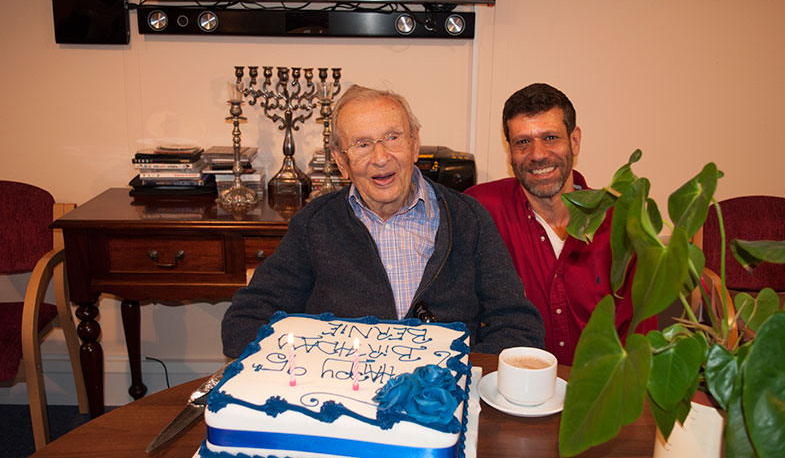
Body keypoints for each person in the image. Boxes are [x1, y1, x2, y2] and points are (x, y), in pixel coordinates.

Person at [221, 84, 545, 358]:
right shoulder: (315, 225)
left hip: (441, 406)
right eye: (362, 144)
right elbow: (243, 322)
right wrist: (319, 364)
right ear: (340, 161)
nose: (380, 157)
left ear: (415, 143)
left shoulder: (468, 219)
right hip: (345, 405)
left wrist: (460, 377)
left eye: (392, 138)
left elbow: (519, 327)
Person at [464, 83, 656, 365]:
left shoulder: (622, 223)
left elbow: (640, 339)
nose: (538, 154)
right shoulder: (480, 210)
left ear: (574, 141)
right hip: (510, 395)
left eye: (550, 137)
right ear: (509, 151)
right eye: (522, 142)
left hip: (597, 396)